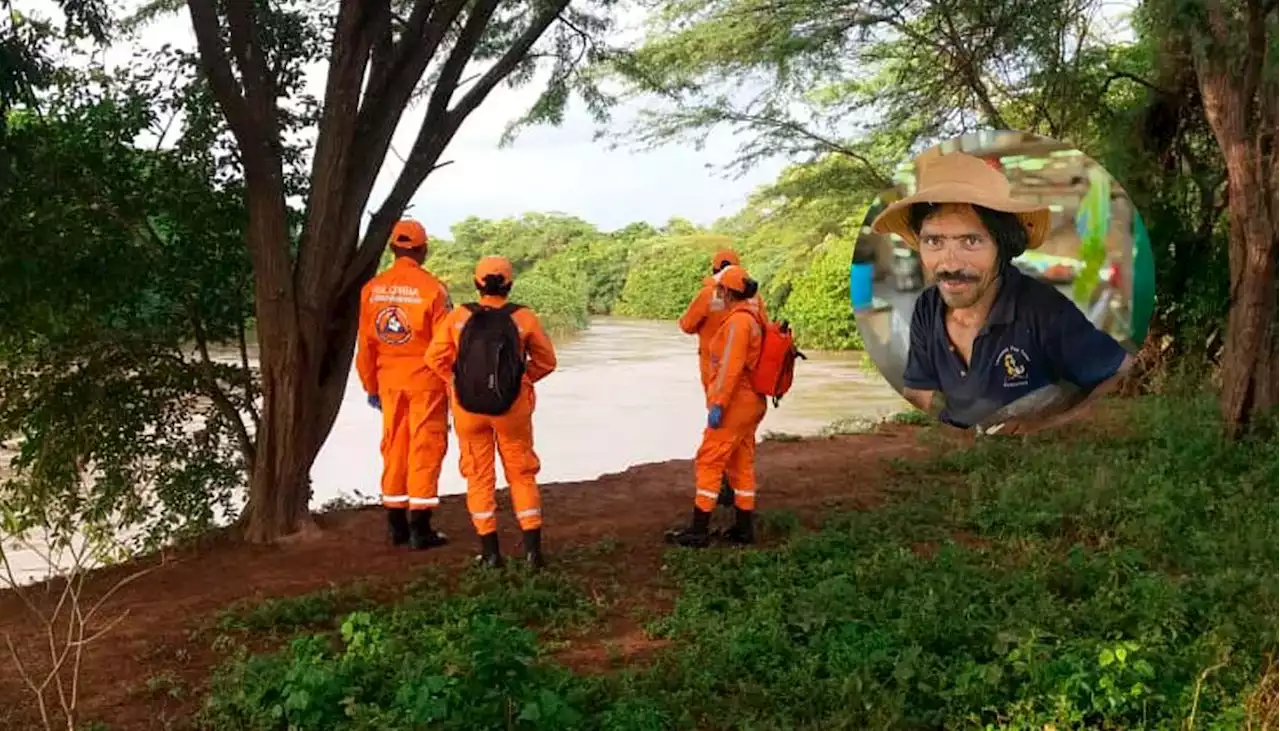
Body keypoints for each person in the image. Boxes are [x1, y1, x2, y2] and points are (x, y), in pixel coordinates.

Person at [869, 151, 1134, 435]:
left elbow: (1123, 374)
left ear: (1002, 246)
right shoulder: (927, 306)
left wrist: (1049, 426)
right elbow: (918, 393)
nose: (949, 264)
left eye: (971, 241)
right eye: (934, 241)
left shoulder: (1042, 310)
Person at [425, 256, 558, 568]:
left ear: (476, 284)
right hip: (512, 409)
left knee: (478, 477)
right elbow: (547, 361)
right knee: (522, 475)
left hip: (468, 411)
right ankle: (533, 554)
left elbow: (434, 358)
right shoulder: (524, 318)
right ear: (510, 285)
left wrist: (455, 382)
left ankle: (490, 553)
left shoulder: (458, 316)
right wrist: (522, 380)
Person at [355, 219, 453, 550]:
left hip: (388, 383)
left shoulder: (372, 290)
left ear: (392, 248)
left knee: (393, 447)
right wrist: (452, 386)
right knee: (425, 448)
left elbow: (366, 345)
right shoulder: (434, 290)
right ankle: (420, 528)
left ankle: (395, 524)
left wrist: (370, 386)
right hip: (426, 383)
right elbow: (446, 345)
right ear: (423, 250)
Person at [668, 265, 768, 548]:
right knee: (741, 462)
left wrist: (718, 404)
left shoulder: (738, 323)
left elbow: (730, 369)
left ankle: (699, 530)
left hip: (736, 403)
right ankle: (744, 529)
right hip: (751, 403)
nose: (717, 293)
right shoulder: (753, 315)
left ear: (726, 291)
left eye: (719, 289)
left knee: (709, 460)